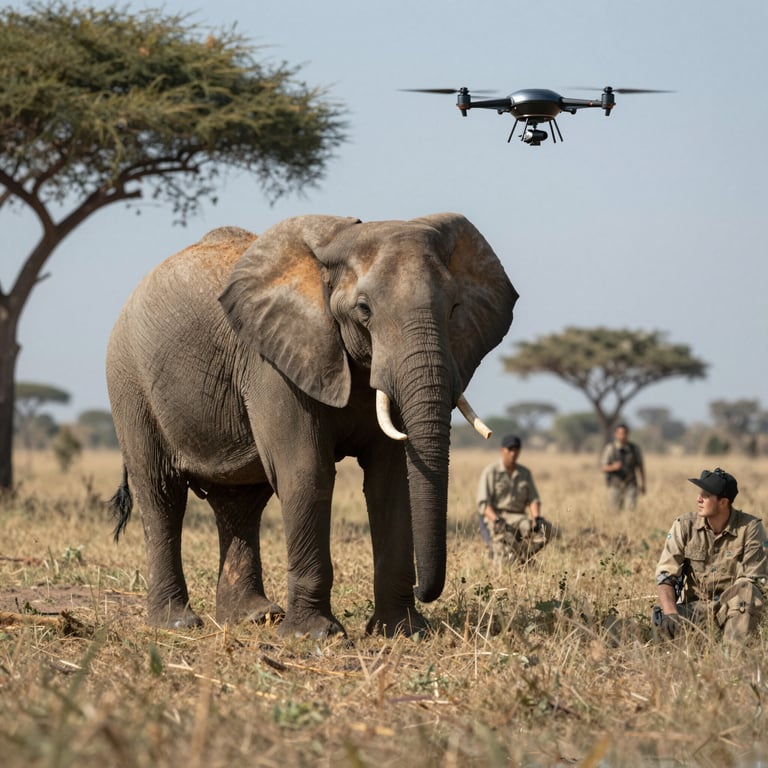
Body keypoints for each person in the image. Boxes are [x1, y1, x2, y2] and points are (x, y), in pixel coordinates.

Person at [654, 468, 768, 643]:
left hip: (733, 610)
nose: (698, 499)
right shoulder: (684, 526)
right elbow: (665, 576)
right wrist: (670, 614)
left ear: (723, 502)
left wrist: (720, 608)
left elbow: (752, 582)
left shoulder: (750, 528)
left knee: (746, 593)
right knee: (657, 621)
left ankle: (731, 656)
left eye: (706, 495)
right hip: (696, 609)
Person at [476, 434, 553, 563]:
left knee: (547, 529)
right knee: (506, 563)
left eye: (516, 449)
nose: (513, 453)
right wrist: (496, 520)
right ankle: (503, 554)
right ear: (502, 450)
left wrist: (537, 518)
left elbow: (533, 499)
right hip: (498, 518)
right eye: (510, 449)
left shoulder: (525, 473)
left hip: (519, 518)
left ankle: (525, 557)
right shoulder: (490, 472)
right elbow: (483, 504)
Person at [600, 423, 645, 511]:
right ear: (616, 434)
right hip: (615, 486)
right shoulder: (610, 448)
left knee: (630, 511)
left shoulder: (634, 449)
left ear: (628, 434)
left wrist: (643, 484)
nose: (622, 436)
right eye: (620, 433)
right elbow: (603, 467)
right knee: (614, 513)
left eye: (624, 433)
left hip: (631, 484)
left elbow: (640, 467)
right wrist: (613, 467)